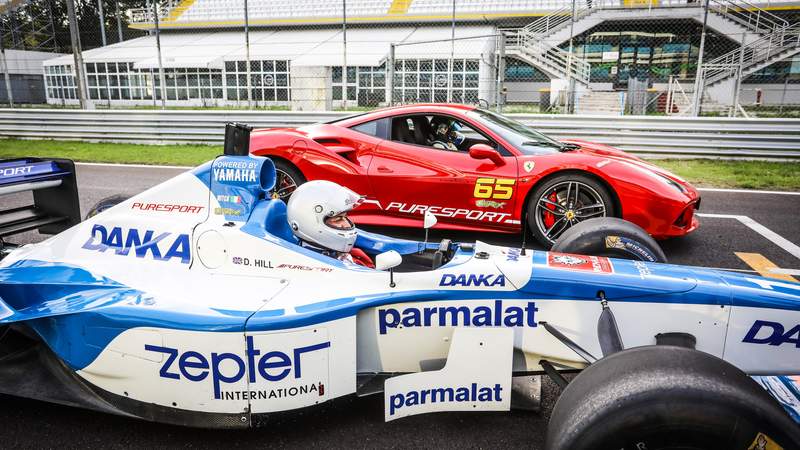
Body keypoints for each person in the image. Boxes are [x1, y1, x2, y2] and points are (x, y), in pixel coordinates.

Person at [286, 180, 374, 268]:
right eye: (338, 219)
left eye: (345, 217)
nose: (346, 224)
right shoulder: (309, 266)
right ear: (309, 221)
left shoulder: (345, 256)